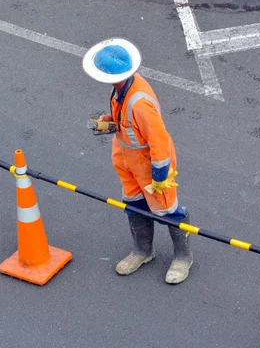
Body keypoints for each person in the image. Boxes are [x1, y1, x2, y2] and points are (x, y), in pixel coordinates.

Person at [82, 38, 193, 284]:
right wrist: (110, 121)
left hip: (147, 161)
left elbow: (160, 143)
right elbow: (125, 120)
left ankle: (183, 256)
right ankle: (143, 251)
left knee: (166, 208)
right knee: (133, 202)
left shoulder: (140, 103)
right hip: (126, 157)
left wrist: (160, 177)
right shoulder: (121, 88)